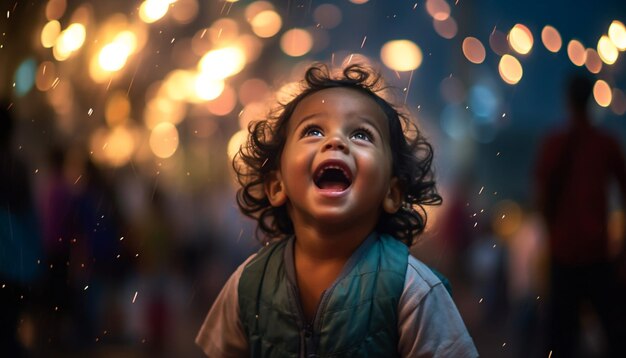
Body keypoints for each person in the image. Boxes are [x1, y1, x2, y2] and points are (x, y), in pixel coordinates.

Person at [196, 63, 478, 357]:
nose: (336, 141)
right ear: (277, 185)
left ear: (392, 192)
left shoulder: (413, 291)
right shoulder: (248, 285)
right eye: (314, 130)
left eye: (362, 135)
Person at [534, 73, 626, 357]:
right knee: (616, 336)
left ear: (567, 100)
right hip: (598, 255)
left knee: (560, 341)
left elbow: (541, 197)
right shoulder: (605, 143)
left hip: (564, 257)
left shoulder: (555, 144)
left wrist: (552, 234)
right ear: (591, 99)